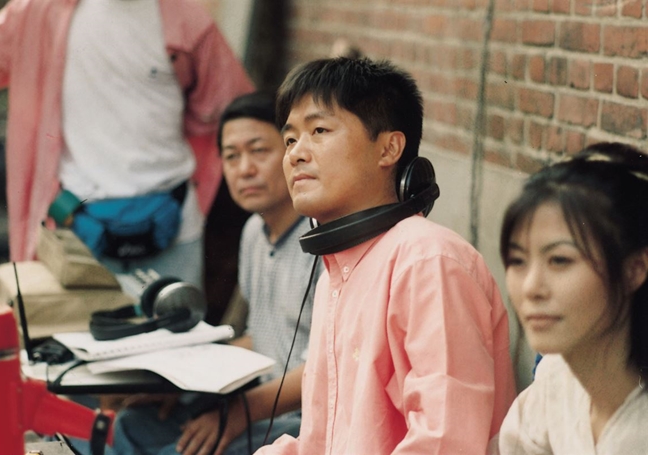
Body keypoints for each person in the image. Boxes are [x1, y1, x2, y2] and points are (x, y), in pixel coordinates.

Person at [257, 57, 516, 454]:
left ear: (389, 148)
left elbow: (446, 441)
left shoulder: (428, 261)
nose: (295, 154)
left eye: (319, 130)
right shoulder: (334, 274)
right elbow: (321, 442)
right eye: (290, 139)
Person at [0, 0, 254, 287]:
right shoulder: (40, 10)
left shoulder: (186, 18)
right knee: (74, 330)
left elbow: (234, 109)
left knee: (180, 330)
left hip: (174, 221)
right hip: (75, 227)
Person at [105, 91, 321, 455]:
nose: (244, 169)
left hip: (302, 416)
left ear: (290, 153)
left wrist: (239, 413)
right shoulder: (253, 231)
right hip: (255, 399)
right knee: (132, 424)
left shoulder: (321, 240)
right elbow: (262, 337)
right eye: (232, 156)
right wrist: (186, 385)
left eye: (259, 151)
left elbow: (326, 368)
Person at [498, 142, 648, 454]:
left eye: (560, 261)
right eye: (518, 261)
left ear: (635, 269)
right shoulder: (556, 378)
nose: (531, 288)